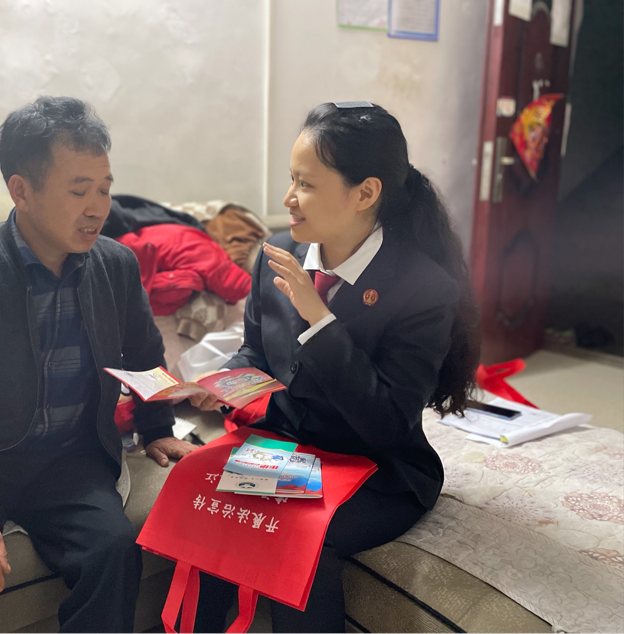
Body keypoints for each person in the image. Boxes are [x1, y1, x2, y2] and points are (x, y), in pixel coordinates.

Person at [0, 96, 195, 634]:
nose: (97, 207)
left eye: (104, 188)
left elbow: (144, 355)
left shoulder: (115, 266)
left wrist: (157, 427)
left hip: (69, 461)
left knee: (113, 550)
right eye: (79, 190)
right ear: (21, 190)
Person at [189, 101, 479, 633]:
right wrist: (223, 383)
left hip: (376, 468)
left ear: (365, 193)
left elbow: (388, 422)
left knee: (299, 537)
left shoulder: (423, 288)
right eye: (291, 179)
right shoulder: (278, 254)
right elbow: (255, 352)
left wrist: (319, 320)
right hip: (290, 454)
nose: (287, 199)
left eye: (305, 184)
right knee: (206, 502)